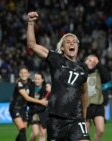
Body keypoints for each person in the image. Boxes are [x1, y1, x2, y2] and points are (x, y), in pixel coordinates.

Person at [27, 11, 90, 141]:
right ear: (62, 48)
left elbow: (84, 93)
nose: (72, 44)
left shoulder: (83, 68)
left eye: (74, 42)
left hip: (76, 118)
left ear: (78, 46)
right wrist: (31, 23)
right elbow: (32, 45)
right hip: (56, 118)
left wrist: (84, 118)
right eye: (68, 42)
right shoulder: (56, 59)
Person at [9, 67, 48, 141]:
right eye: (21, 73)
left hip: (24, 109)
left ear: (28, 74)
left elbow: (39, 82)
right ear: (19, 74)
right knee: (23, 130)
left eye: (25, 72)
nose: (23, 74)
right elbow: (27, 98)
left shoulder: (30, 82)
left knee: (23, 131)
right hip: (15, 108)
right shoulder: (19, 83)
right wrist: (41, 102)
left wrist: (48, 85)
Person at [84, 55, 111, 141]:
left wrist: (99, 64)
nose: (92, 62)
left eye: (94, 61)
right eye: (90, 60)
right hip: (85, 106)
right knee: (85, 133)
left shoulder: (98, 72)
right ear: (85, 61)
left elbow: (108, 78)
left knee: (100, 130)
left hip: (98, 105)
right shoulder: (81, 72)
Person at [28, 72, 50, 141]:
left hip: (43, 112)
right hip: (34, 112)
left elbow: (49, 100)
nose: (36, 80)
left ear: (42, 80)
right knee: (35, 133)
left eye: (38, 79)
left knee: (43, 133)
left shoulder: (46, 88)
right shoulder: (30, 86)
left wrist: (50, 90)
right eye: (35, 79)